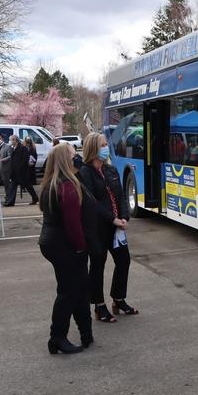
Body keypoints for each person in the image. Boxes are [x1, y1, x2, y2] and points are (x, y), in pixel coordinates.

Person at [38, 143, 93, 354]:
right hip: (65, 246)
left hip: (52, 244)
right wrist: (80, 248)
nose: (76, 157)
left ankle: (84, 332)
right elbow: (73, 225)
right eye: (73, 155)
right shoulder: (68, 186)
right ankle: (57, 337)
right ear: (65, 160)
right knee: (69, 293)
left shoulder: (51, 183)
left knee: (75, 289)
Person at [77, 132, 136, 323]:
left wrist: (124, 216)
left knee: (124, 260)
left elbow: (120, 196)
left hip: (117, 227)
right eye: (102, 144)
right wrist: (112, 219)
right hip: (97, 228)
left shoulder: (110, 170)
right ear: (93, 148)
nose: (105, 148)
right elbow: (92, 203)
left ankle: (118, 299)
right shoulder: (84, 173)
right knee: (97, 265)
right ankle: (99, 305)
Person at [5, 135, 38, 206]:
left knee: (28, 186)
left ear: (15, 140)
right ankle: (10, 201)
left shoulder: (22, 148)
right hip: (15, 172)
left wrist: (19, 167)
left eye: (12, 140)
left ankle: (35, 197)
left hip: (22, 172)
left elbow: (24, 159)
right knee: (13, 186)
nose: (11, 141)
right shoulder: (13, 148)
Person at [0, 134, 13, 202]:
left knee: (6, 183)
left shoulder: (7, 147)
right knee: (1, 182)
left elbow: (10, 156)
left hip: (6, 168)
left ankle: (8, 196)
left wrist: (3, 160)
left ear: (2, 139)